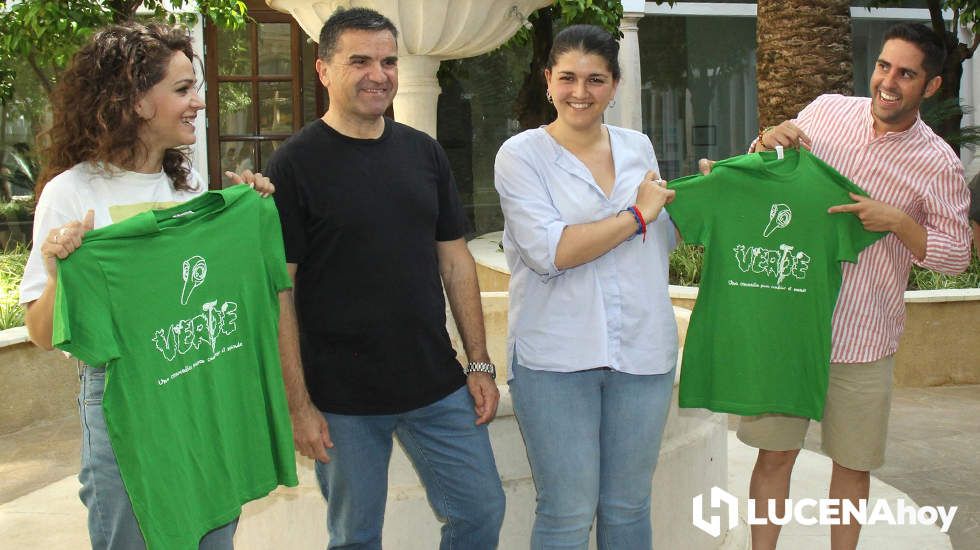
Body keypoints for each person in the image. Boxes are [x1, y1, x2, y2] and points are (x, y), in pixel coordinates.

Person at [19, 22, 273, 550]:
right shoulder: (71, 193)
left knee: (212, 534)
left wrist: (249, 211)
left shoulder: (191, 186)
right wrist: (60, 265)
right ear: (135, 102)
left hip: (197, 383)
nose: (199, 103)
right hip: (123, 395)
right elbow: (42, 335)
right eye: (182, 90)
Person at [724, 23, 971, 550]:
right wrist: (765, 141)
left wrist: (900, 222)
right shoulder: (826, 111)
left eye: (906, 74)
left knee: (852, 469)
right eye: (884, 66)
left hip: (864, 338)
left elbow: (956, 257)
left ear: (930, 86)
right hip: (787, 325)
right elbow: (764, 177)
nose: (888, 81)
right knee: (774, 456)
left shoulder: (939, 163)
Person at [266, 7, 505, 549]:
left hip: (435, 384)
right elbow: (278, 293)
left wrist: (480, 362)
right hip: (341, 399)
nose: (379, 74)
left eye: (388, 61)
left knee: (481, 511)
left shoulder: (423, 153)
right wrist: (298, 404)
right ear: (324, 70)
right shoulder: (294, 165)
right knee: (355, 537)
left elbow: (455, 260)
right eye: (360, 61)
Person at [494, 24, 678, 550]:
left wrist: (704, 194)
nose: (581, 92)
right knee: (567, 512)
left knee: (628, 507)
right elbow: (551, 252)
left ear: (615, 85)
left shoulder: (638, 146)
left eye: (595, 79)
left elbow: (660, 238)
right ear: (548, 80)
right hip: (556, 360)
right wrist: (637, 216)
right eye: (568, 78)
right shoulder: (520, 155)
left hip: (642, 354)